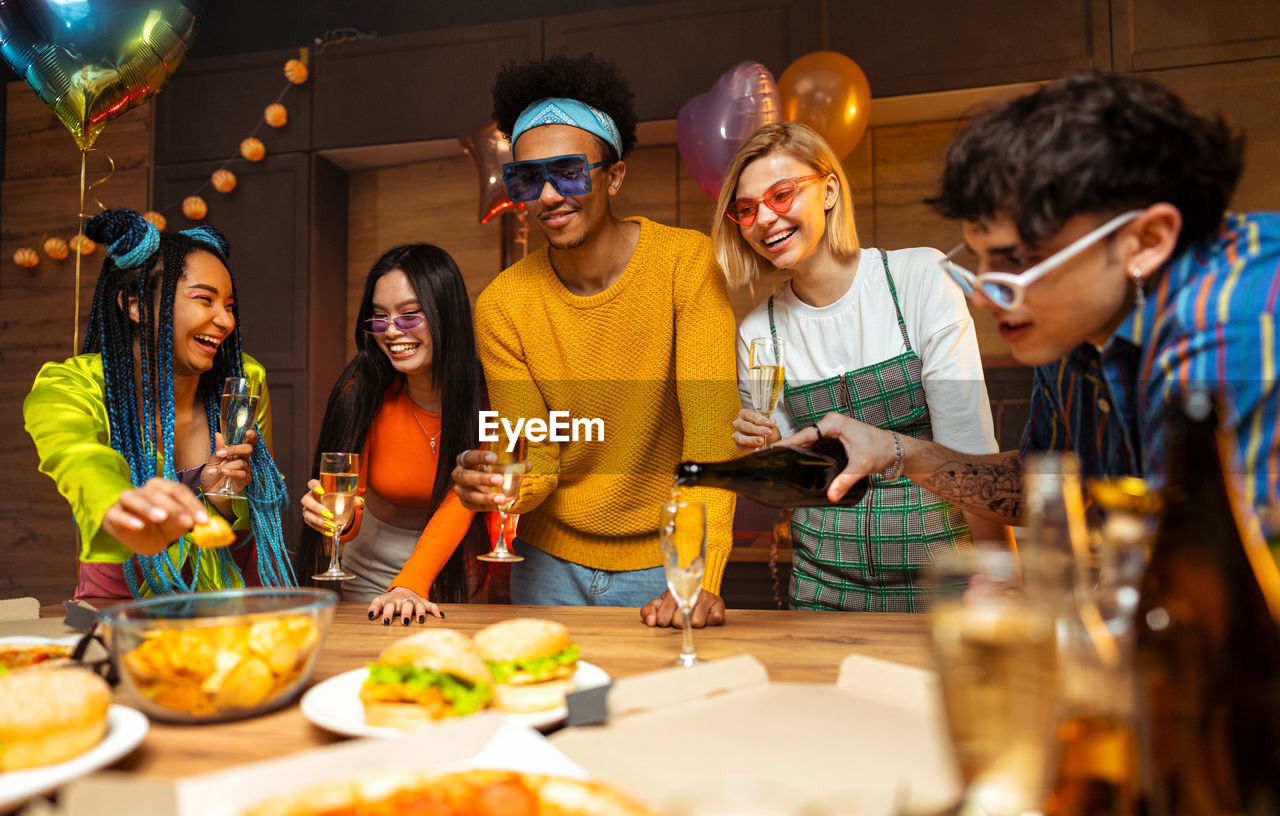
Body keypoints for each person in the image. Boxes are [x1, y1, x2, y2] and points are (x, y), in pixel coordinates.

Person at [778, 72, 1280, 523]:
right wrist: (895, 450)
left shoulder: (1235, 320)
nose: (985, 298)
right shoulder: (1075, 327)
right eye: (979, 258)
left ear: (1145, 241)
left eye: (1017, 259)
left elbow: (1221, 584)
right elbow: (1037, 485)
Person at [451, 53, 739, 625]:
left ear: (615, 175)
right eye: (529, 178)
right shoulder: (503, 305)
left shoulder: (688, 265)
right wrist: (495, 484)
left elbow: (710, 443)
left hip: (664, 558)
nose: (551, 196)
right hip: (546, 563)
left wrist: (699, 577)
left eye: (571, 172)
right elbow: (539, 456)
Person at [713, 122, 1004, 611]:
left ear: (828, 191)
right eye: (746, 209)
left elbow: (970, 455)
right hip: (820, 590)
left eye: (781, 195)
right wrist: (763, 455)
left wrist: (1003, 579)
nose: (764, 218)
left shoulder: (917, 279)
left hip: (941, 586)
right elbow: (795, 486)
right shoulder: (758, 331)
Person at [23, 208, 293, 598]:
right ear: (134, 304)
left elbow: (247, 522)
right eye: (205, 300)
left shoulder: (243, 380)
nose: (226, 321)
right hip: (120, 609)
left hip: (235, 603)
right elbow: (77, 458)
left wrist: (221, 502)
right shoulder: (74, 387)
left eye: (229, 306)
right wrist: (120, 502)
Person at [299, 244, 489, 625]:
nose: (390, 331)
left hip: (454, 560)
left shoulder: (482, 392)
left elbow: (461, 500)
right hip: (370, 559)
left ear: (445, 312)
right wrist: (331, 520)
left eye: (408, 315)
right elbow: (350, 500)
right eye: (379, 317)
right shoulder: (362, 389)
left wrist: (414, 581)